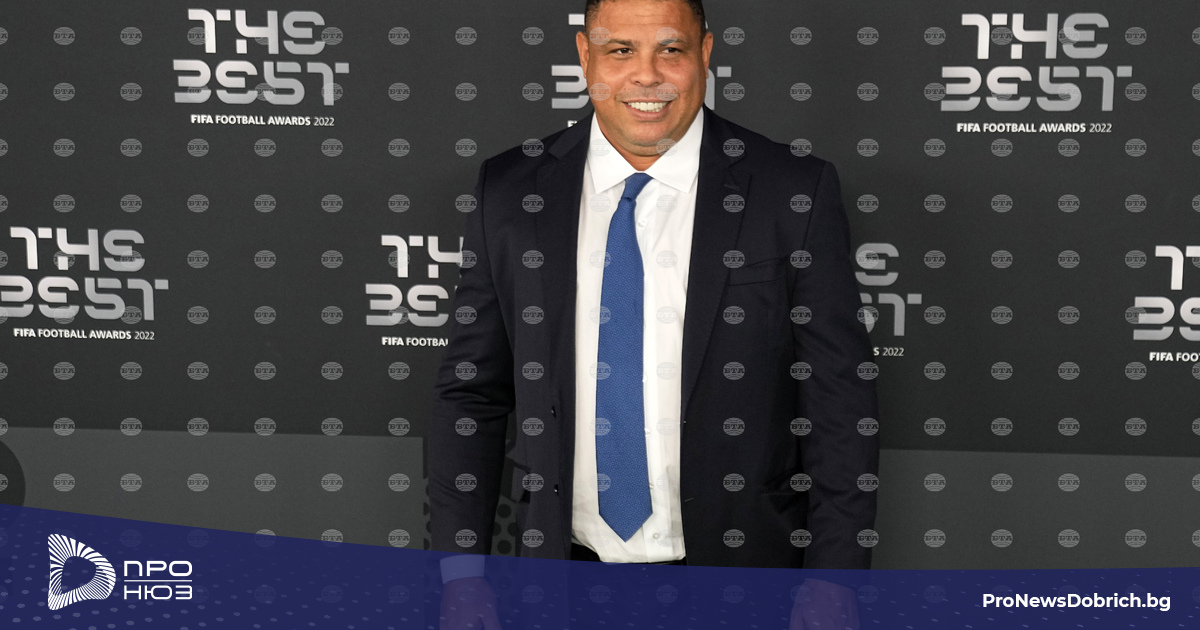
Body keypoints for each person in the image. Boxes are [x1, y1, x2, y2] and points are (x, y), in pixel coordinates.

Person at [428, 0, 878, 627]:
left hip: (744, 576)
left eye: (671, 50)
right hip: (558, 577)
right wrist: (460, 573)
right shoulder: (508, 190)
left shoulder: (793, 190)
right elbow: (469, 395)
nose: (647, 75)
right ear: (585, 56)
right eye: (620, 51)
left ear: (705, 54)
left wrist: (834, 577)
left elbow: (838, 401)